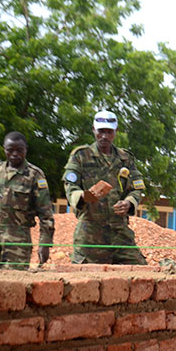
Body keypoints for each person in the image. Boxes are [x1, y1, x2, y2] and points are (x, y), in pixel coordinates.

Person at [62, 110, 147, 265]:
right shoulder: (80, 156)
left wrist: (129, 203)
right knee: (85, 282)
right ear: (94, 130)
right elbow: (70, 187)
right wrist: (86, 196)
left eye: (109, 132)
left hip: (119, 233)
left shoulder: (125, 158)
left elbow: (136, 188)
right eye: (101, 131)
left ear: (116, 132)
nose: (104, 136)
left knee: (140, 274)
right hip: (90, 235)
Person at [0, 132, 55, 270]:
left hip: (17, 241)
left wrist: (45, 244)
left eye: (19, 150)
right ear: (4, 149)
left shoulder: (35, 175)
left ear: (26, 150)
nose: (14, 154)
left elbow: (46, 214)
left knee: (12, 284)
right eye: (10, 150)